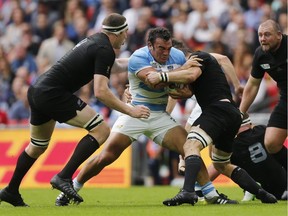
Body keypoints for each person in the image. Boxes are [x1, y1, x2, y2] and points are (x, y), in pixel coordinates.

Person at [55, 27, 236, 206]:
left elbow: (186, 91)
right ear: (150, 46)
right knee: (107, 155)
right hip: (135, 112)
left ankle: (211, 194)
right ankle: (72, 188)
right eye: (161, 49)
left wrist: (178, 84)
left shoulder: (178, 57)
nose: (166, 53)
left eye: (169, 48)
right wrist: (177, 77)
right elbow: (153, 81)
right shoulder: (138, 57)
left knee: (189, 149)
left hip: (159, 115)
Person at [0, 13, 150, 207]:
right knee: (101, 130)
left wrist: (144, 60)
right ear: (117, 32)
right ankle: (64, 176)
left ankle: (11, 190)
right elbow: (101, 92)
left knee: (37, 146)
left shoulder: (96, 42)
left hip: (38, 90)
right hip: (53, 94)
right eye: (125, 32)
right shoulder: (104, 48)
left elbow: (115, 66)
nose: (126, 36)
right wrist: (131, 111)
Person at [146, 48, 278, 205]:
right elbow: (185, 92)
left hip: (217, 110)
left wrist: (161, 76)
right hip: (231, 113)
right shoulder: (198, 66)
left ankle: (188, 192)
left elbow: (191, 75)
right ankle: (261, 193)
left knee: (189, 145)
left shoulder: (198, 57)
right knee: (221, 164)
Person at [181, 113, 287, 201]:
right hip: (283, 185)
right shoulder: (261, 130)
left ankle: (250, 189)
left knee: (223, 164)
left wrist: (199, 184)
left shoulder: (232, 146)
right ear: (250, 123)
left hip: (264, 190)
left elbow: (216, 167)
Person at [239, 19, 287, 171]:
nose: (262, 39)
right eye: (260, 35)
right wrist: (240, 113)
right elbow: (253, 84)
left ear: (279, 35)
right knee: (271, 143)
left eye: (267, 34)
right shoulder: (260, 55)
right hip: (286, 99)